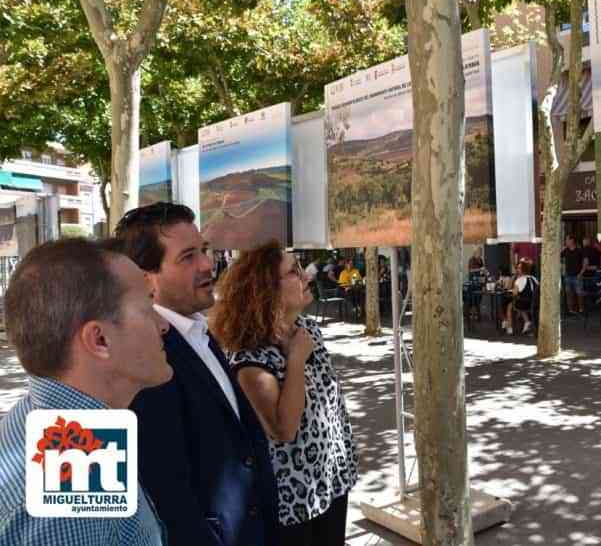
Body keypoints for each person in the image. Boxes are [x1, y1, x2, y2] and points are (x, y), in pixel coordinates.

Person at [114, 202, 278, 546]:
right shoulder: (146, 359)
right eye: (187, 256)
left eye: (204, 250)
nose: (207, 264)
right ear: (147, 278)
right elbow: (168, 493)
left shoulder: (199, 331)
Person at [0, 238, 170, 545]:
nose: (163, 324)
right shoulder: (71, 479)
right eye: (147, 307)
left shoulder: (54, 426)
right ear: (100, 340)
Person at [210, 242, 359, 545]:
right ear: (266, 290)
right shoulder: (250, 358)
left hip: (331, 480)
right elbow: (285, 428)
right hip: (294, 501)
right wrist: (295, 360)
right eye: (294, 271)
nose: (307, 276)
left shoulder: (306, 329)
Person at [503, 259, 538, 335]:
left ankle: (509, 328)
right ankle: (527, 322)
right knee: (520, 305)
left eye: (519, 268)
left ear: (523, 270)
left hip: (522, 303)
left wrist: (511, 291)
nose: (517, 270)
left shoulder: (519, 280)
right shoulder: (534, 279)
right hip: (534, 303)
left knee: (509, 306)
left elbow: (515, 293)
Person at [561, 236, 584, 314]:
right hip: (568, 275)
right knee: (568, 293)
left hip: (577, 275)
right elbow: (559, 257)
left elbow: (585, 262)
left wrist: (581, 273)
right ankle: (570, 310)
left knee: (579, 293)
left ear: (572, 240)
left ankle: (581, 309)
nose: (565, 241)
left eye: (567, 240)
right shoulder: (565, 250)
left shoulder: (579, 251)